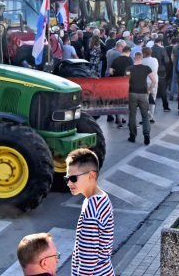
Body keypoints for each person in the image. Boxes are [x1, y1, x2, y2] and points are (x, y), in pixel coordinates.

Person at [65, 148, 114, 276]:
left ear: (91, 175)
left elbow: (88, 259)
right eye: (67, 178)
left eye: (73, 178)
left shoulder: (91, 211)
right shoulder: (102, 197)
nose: (69, 183)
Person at [126, 51, 156, 145]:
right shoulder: (147, 68)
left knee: (132, 115)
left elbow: (126, 81)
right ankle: (146, 135)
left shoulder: (129, 68)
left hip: (132, 93)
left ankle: (132, 136)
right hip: (143, 94)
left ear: (134, 58)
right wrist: (149, 89)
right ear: (142, 58)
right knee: (145, 116)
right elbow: (154, 81)